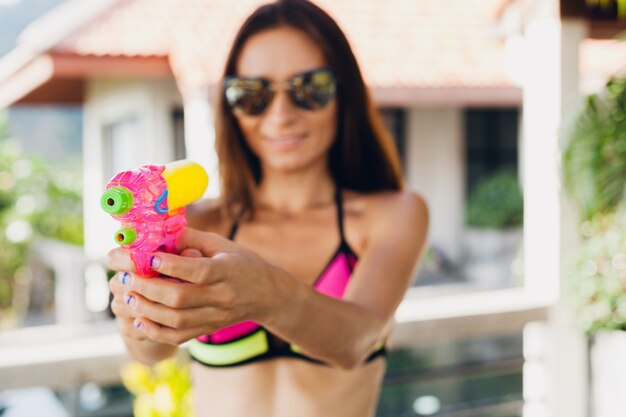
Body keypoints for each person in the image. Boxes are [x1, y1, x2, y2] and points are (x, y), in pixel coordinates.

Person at [107, 1, 429, 416]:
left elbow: (356, 341)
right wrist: (138, 307)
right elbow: (153, 354)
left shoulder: (393, 213)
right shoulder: (202, 220)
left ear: (344, 94)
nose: (280, 114)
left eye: (308, 88)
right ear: (231, 106)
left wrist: (267, 295)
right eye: (252, 94)